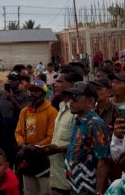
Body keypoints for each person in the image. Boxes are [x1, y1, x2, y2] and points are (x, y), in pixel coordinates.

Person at [63, 81, 111, 194]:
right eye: (70, 97)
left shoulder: (96, 124)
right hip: (76, 187)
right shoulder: (78, 120)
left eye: (75, 97)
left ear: (90, 101)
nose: (71, 101)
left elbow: (103, 161)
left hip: (89, 188)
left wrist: (99, 192)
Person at [44, 66, 83, 195]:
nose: (55, 84)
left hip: (71, 181)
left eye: (60, 81)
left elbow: (82, 145)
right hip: (57, 177)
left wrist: (59, 149)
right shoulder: (61, 106)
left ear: (73, 85)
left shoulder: (77, 111)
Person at [14, 79, 58, 195]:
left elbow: (51, 136)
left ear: (43, 94)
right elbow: (18, 132)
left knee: (45, 192)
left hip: (44, 158)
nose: (32, 94)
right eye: (30, 91)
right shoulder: (24, 112)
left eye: (36, 91)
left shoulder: (51, 112)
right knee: (29, 191)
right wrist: (23, 145)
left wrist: (36, 147)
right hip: (27, 157)